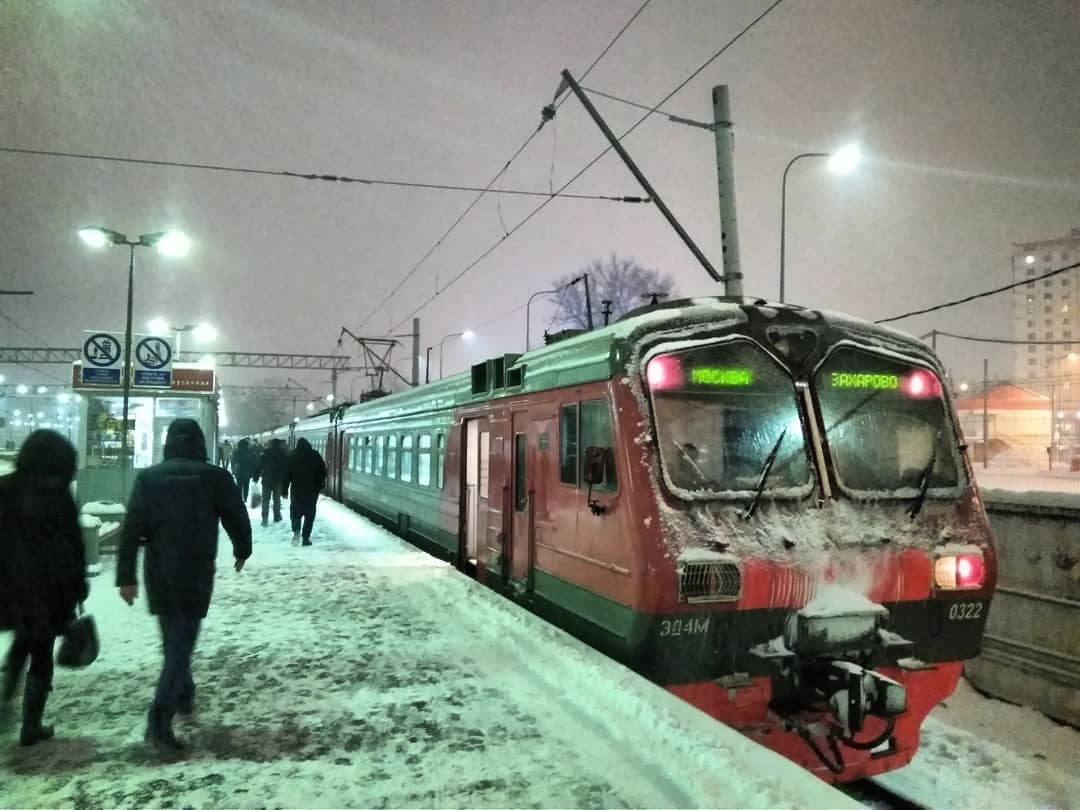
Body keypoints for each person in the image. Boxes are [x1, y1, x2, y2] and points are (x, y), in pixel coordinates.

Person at [117, 419, 251, 759]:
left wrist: (126, 576)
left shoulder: (149, 478)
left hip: (159, 572)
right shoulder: (215, 477)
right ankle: (158, 721)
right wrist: (242, 549)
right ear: (200, 444)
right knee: (180, 646)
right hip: (195, 571)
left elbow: (131, 529)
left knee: (173, 640)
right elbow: (236, 516)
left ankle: (184, 694)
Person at [0, 430, 88, 746]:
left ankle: (4, 697)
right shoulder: (58, 496)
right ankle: (31, 724)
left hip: (9, 586)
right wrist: (78, 587)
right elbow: (73, 547)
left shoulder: (5, 488)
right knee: (40, 652)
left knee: (23, 641)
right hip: (49, 590)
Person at [281, 438, 327, 547]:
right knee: (309, 515)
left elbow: (286, 474)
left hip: (296, 490)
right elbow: (323, 471)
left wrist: (284, 490)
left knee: (295, 513)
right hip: (311, 491)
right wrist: (319, 483)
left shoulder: (292, 456)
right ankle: (306, 538)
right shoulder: (315, 455)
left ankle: (296, 530)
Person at [254, 438, 287, 527]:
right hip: (278, 481)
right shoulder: (282, 454)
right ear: (279, 445)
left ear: (271, 444)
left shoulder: (264, 453)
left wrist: (256, 477)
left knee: (265, 501)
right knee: (276, 500)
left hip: (266, 480)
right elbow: (285, 468)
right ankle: (276, 516)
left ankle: (265, 518)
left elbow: (258, 466)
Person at [231, 438, 254, 502]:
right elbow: (253, 462)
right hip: (247, 471)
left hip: (239, 471)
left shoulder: (236, 451)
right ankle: (245, 498)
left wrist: (233, 470)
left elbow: (233, 461)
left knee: (239, 486)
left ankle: (239, 498)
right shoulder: (250, 451)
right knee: (246, 486)